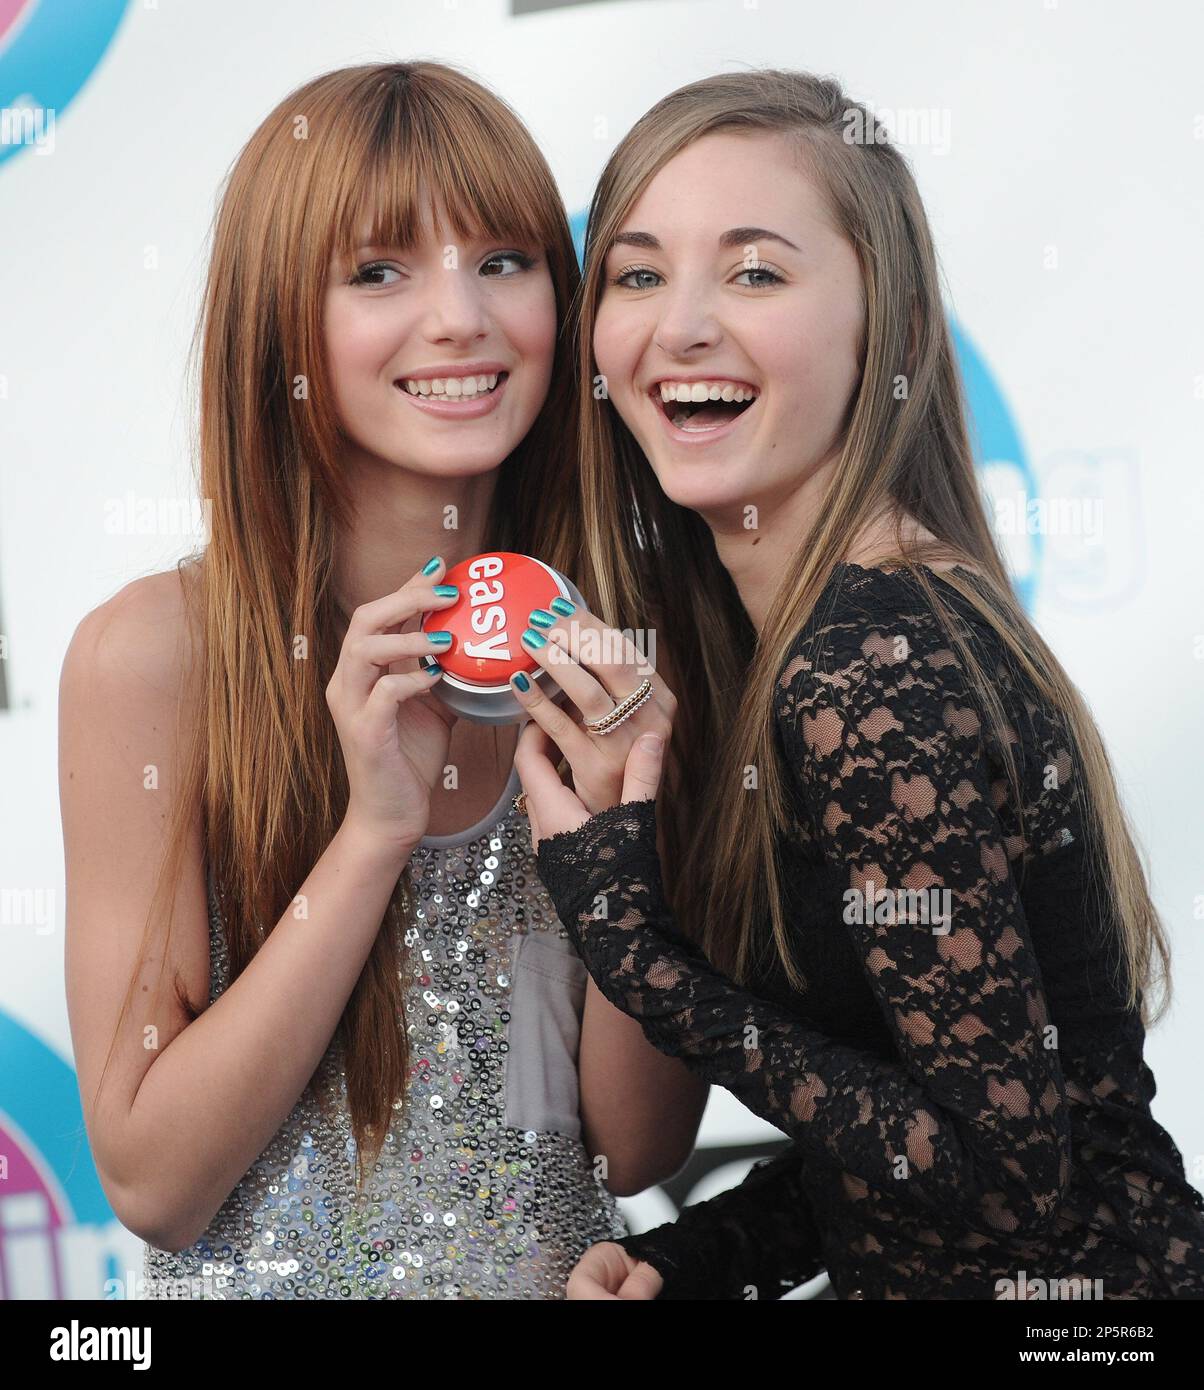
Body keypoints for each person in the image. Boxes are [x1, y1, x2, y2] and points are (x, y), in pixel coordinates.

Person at [508, 68, 1204, 1299]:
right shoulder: (837, 633)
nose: (681, 326)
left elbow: (1008, 1179)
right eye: (638, 273)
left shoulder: (870, 656)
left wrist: (636, 948)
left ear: (877, 319)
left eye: (756, 271)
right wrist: (704, 1255)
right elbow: (924, 1133)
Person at [59, 60, 704, 1301]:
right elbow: (154, 1180)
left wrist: (625, 842)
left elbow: (633, 1145)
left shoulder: (618, 652)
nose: (460, 316)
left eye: (505, 260)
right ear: (277, 325)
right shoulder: (157, 656)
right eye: (378, 270)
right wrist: (375, 834)